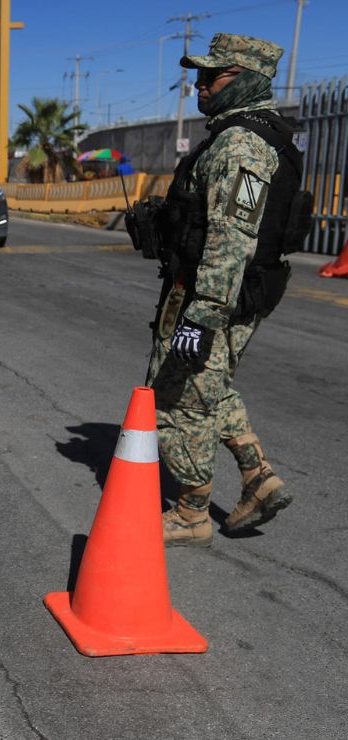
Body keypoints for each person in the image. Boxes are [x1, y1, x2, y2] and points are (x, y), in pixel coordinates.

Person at [145, 34, 304, 547]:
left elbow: (232, 236)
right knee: (210, 386)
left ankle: (191, 513)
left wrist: (202, 315)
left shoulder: (242, 145)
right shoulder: (251, 135)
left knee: (177, 398)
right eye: (200, 76)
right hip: (229, 293)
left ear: (250, 80)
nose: (200, 85)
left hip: (214, 297)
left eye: (214, 76)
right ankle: (258, 477)